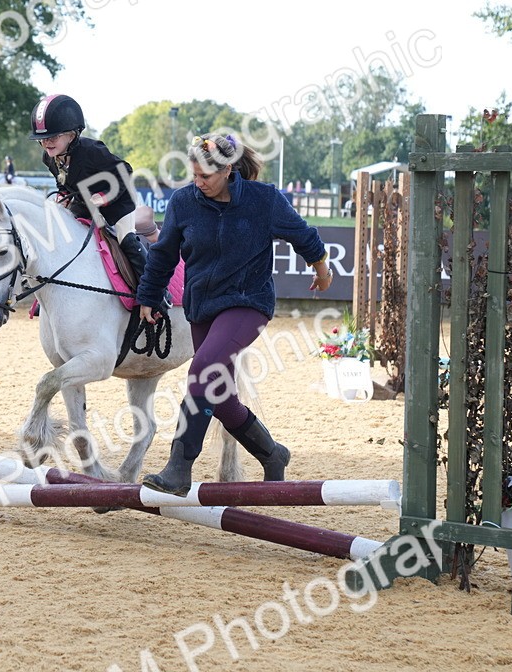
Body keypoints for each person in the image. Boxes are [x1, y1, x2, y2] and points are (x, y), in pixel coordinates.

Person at [134, 134, 333, 495]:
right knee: (221, 398)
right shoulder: (184, 202)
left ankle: (179, 467)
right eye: (193, 175)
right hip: (202, 307)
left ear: (228, 170)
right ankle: (273, 454)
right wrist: (148, 294)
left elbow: (303, 236)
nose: (198, 183)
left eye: (205, 177)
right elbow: (163, 255)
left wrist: (322, 270)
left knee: (203, 369)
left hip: (248, 301)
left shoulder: (263, 200)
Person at [28, 94, 148, 284]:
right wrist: (63, 196)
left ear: (72, 135)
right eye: (42, 139)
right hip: (84, 204)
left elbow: (125, 171)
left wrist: (104, 197)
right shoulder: (49, 157)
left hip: (117, 206)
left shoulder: (92, 151)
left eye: (53, 137)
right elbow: (63, 182)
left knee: (127, 241)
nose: (46, 143)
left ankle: (155, 292)